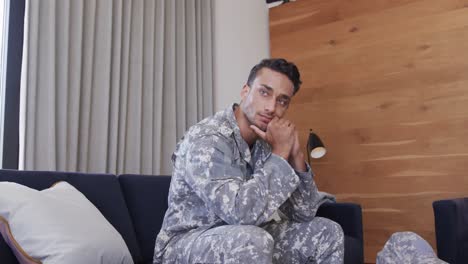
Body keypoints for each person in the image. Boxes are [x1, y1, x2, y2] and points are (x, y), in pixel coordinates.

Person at [153, 58, 344, 264]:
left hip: (244, 238)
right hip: (185, 245)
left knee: (327, 232)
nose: (271, 107)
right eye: (264, 92)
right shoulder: (208, 137)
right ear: (245, 91)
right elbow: (241, 214)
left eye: (282, 100)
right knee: (253, 239)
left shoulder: (268, 143)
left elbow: (304, 212)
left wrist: (295, 155)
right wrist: (279, 155)